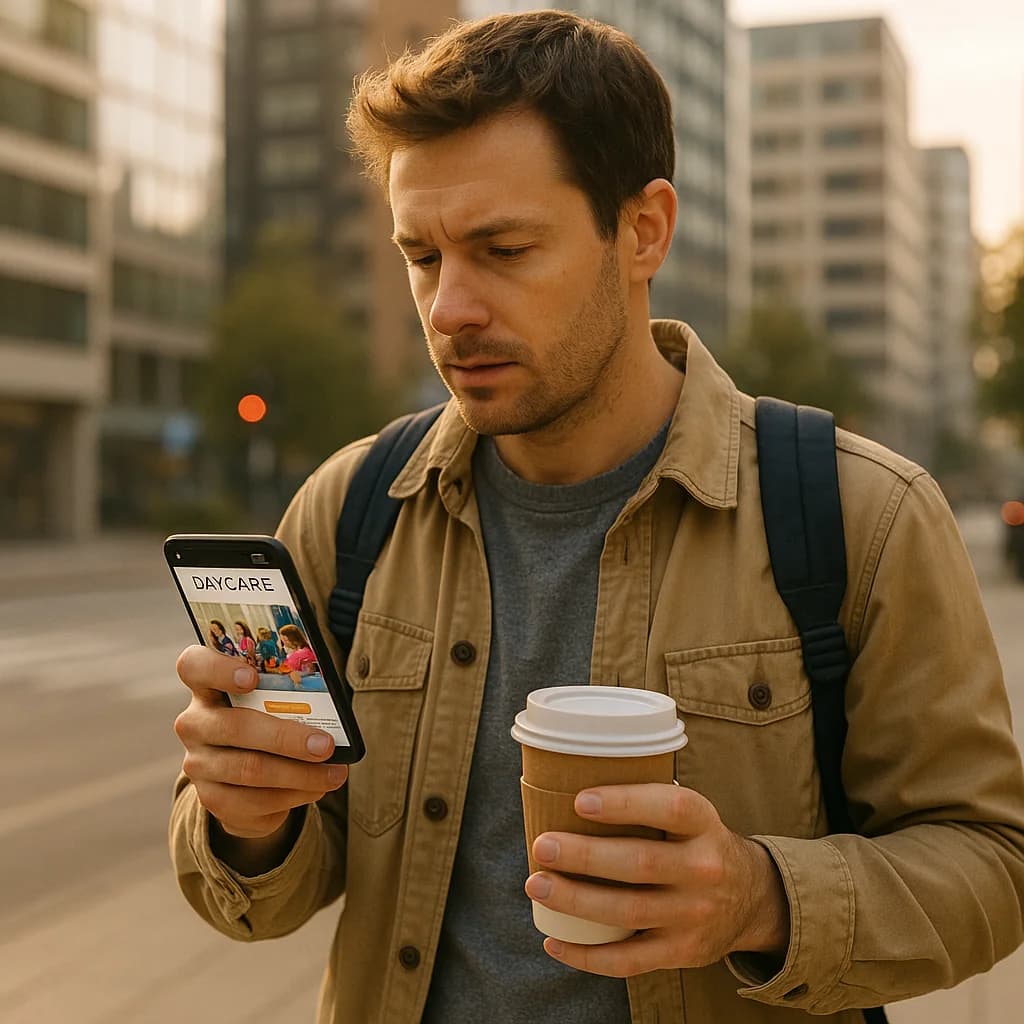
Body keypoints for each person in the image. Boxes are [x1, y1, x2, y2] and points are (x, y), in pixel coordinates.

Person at [169, 11, 1024, 1024]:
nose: (449, 308)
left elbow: (991, 861)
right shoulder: (353, 508)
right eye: (423, 255)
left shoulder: (860, 514)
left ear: (644, 228)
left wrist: (758, 897)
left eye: (501, 247)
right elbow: (263, 897)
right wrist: (245, 821)